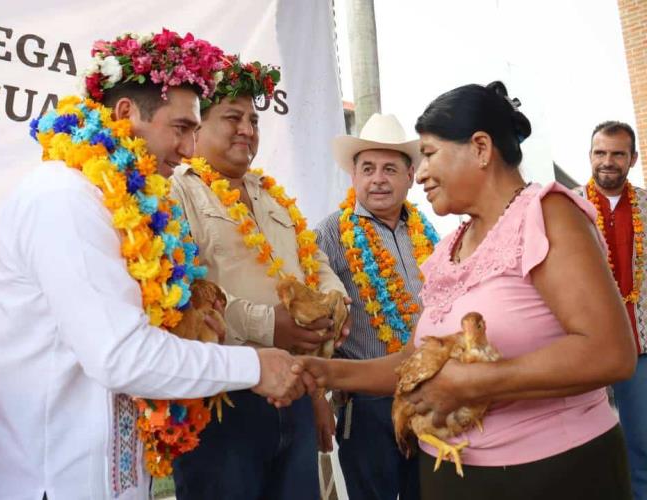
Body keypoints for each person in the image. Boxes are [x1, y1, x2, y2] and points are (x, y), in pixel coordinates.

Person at [0, 31, 310, 500]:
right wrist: (254, 364)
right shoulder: (64, 197)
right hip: (52, 480)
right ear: (127, 114)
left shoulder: (119, 205)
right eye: (182, 127)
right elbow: (120, 355)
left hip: (113, 479)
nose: (190, 149)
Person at [301, 81, 636, 500]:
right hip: (454, 477)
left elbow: (610, 352)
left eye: (428, 154)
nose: (419, 173)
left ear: (480, 148)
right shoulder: (450, 246)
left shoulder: (547, 214)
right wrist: (327, 373)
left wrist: (471, 384)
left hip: (551, 473)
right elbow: (416, 362)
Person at [168, 55, 350, 500]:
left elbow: (316, 266)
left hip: (294, 390)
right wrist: (269, 324)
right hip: (223, 399)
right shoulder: (176, 189)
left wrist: (331, 305)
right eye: (233, 118)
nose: (248, 129)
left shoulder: (273, 198)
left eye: (254, 119)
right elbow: (185, 291)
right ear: (198, 126)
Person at [313, 113, 438, 499]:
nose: (378, 179)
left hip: (428, 395)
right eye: (367, 168)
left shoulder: (427, 231)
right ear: (354, 177)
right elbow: (315, 316)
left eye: (389, 169)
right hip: (367, 404)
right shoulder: (332, 232)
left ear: (410, 176)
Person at [578, 120, 646, 500]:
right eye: (600, 152)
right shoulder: (568, 206)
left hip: (640, 349)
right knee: (590, 449)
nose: (608, 161)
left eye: (617, 153)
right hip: (585, 347)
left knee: (642, 445)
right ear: (590, 156)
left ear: (632, 159)